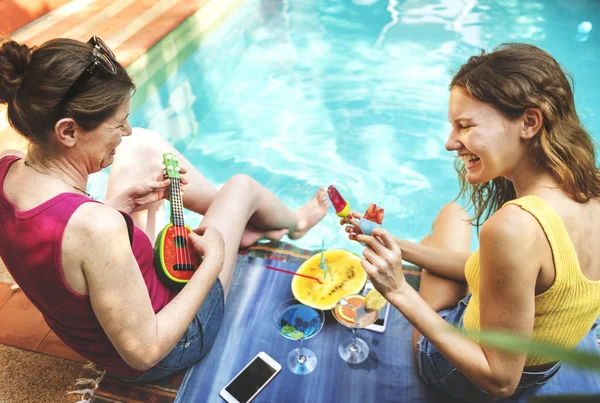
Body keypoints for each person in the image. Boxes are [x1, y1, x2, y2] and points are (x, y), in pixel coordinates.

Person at [0, 36, 329, 383]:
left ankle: (240, 228)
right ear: (68, 131)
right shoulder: (96, 228)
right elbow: (144, 353)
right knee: (241, 187)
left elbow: (59, 248)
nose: (124, 131)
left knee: (142, 144)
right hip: (173, 341)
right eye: (116, 124)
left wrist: (119, 206)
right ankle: (294, 224)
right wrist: (213, 262)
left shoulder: (8, 170)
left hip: (119, 304)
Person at [342, 43, 600, 402]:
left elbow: (500, 380)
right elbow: (510, 276)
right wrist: (393, 243)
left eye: (464, 125)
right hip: (542, 362)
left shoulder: (515, 228)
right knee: (453, 214)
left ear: (529, 122)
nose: (451, 143)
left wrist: (398, 289)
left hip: (466, 375)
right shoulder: (590, 190)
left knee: (439, 232)